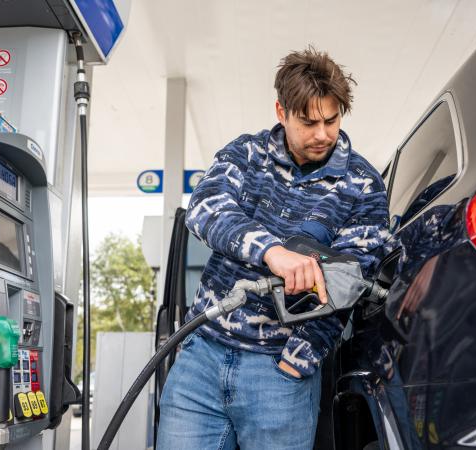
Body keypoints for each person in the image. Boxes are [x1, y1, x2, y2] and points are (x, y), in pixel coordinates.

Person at [156, 46, 390, 450]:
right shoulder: (246, 154)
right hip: (202, 359)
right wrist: (272, 252)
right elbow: (205, 209)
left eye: (331, 120)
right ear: (281, 112)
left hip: (279, 371)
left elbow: (353, 278)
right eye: (308, 121)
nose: (322, 134)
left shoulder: (362, 185)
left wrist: (299, 359)